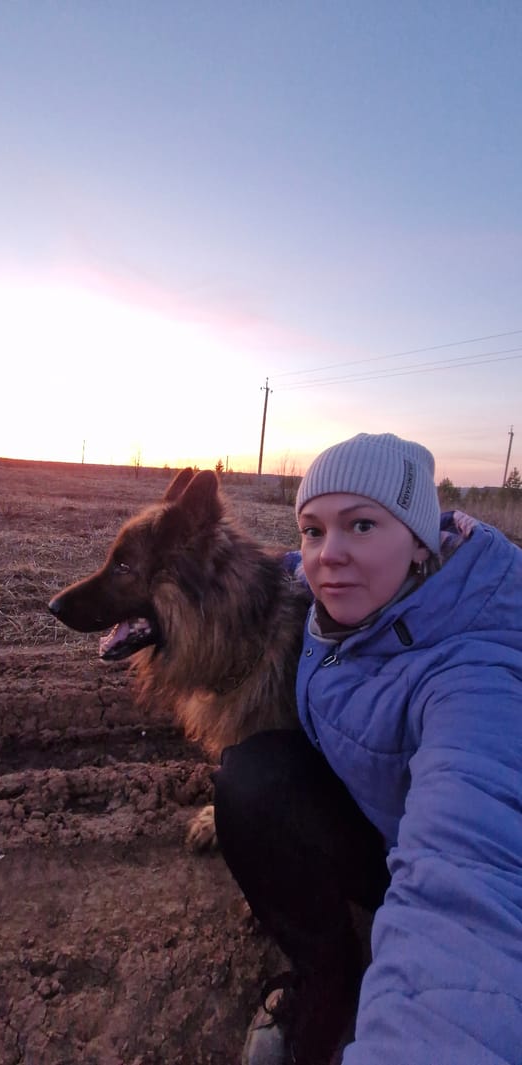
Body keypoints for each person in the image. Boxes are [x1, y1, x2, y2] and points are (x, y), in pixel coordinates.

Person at [213, 432, 522, 1065]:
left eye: (360, 524)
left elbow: (466, 890)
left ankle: (338, 1000)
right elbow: (292, 568)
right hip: (382, 823)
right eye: (312, 528)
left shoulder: (477, 675)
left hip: (430, 853)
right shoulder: (359, 592)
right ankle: (331, 964)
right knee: (251, 779)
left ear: (418, 540)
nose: (329, 556)